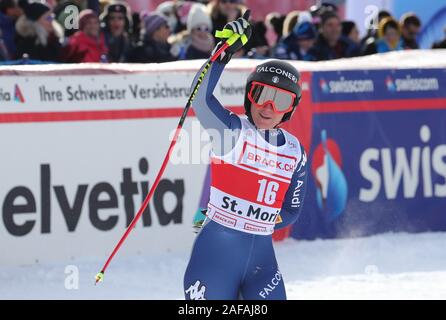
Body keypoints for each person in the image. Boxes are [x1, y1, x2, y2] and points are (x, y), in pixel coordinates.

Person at [184, 16, 308, 300]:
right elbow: (200, 99)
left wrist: (256, 221)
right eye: (261, 94)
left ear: (290, 109)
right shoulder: (230, 130)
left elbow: (291, 210)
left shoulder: (294, 150)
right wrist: (223, 53)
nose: (268, 107)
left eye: (280, 100)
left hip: (261, 266)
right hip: (215, 259)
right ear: (249, 96)